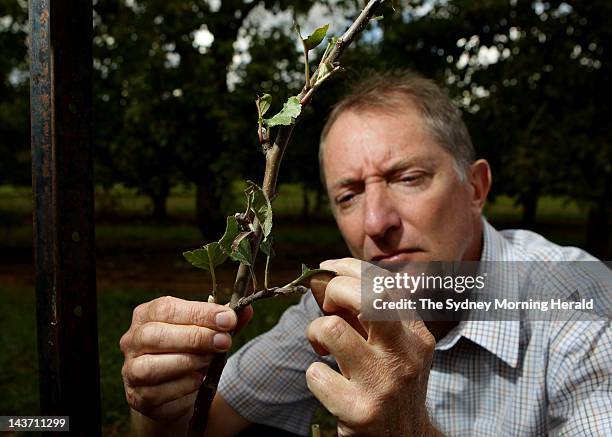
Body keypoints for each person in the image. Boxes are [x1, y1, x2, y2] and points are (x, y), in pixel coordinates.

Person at [119, 71, 611, 436]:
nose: (376, 223)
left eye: (408, 178)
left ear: (475, 187)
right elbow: (202, 425)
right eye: (349, 195)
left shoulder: (580, 304)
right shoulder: (343, 306)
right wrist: (156, 401)